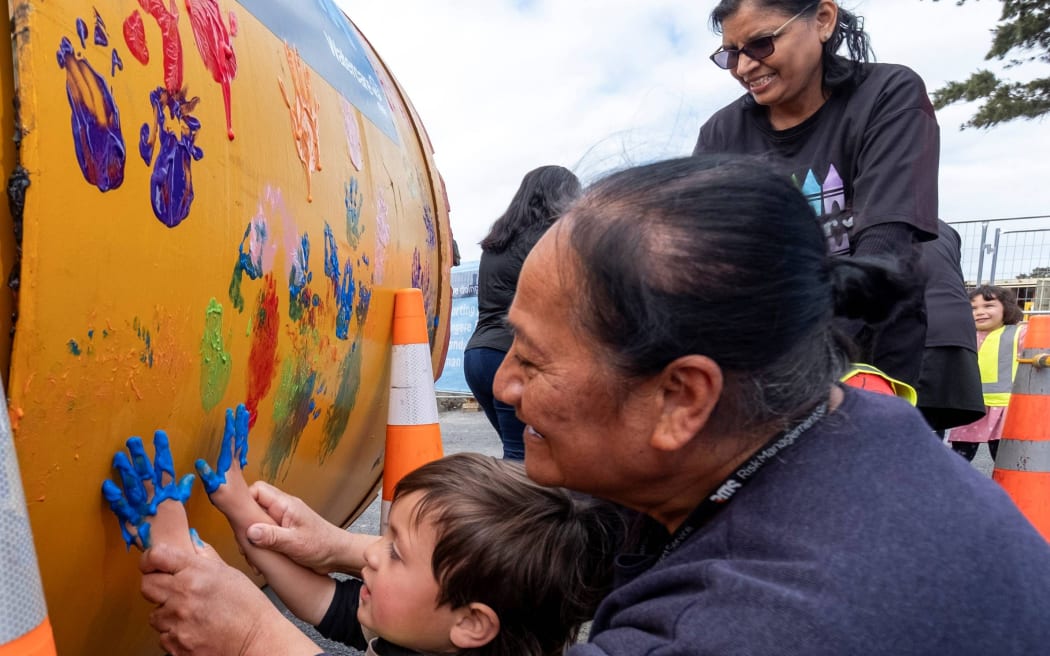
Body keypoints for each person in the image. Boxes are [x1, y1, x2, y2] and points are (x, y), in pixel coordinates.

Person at [485, 156, 1046, 654]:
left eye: (532, 361)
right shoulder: (855, 423)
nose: (503, 384)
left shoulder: (732, 626)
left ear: (682, 397)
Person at [107, 408, 614, 656]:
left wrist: (252, 634)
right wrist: (246, 519)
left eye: (397, 553)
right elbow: (325, 605)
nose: (371, 554)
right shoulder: (428, 631)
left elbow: (279, 631)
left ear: (473, 623)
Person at [693, 0, 938, 389]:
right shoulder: (722, 133)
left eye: (760, 44)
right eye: (731, 55)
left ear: (823, 20)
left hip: (867, 347)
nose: (744, 67)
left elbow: (884, 244)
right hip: (763, 356)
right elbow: (708, 259)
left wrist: (797, 355)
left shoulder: (888, 95)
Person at [463, 165, 581, 459]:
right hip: (515, 356)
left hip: (478, 355)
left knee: (518, 453)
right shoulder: (552, 239)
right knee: (525, 461)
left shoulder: (495, 242)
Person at [915, 220, 985, 434]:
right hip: (954, 330)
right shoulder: (943, 228)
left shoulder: (863, 216)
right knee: (926, 427)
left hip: (911, 327)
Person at [948, 285, 1026, 462]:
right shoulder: (964, 335)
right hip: (969, 408)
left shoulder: (1019, 333)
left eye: (988, 305)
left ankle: (1006, 489)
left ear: (1006, 308)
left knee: (1004, 461)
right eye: (973, 308)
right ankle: (956, 489)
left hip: (1004, 408)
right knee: (958, 461)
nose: (979, 312)